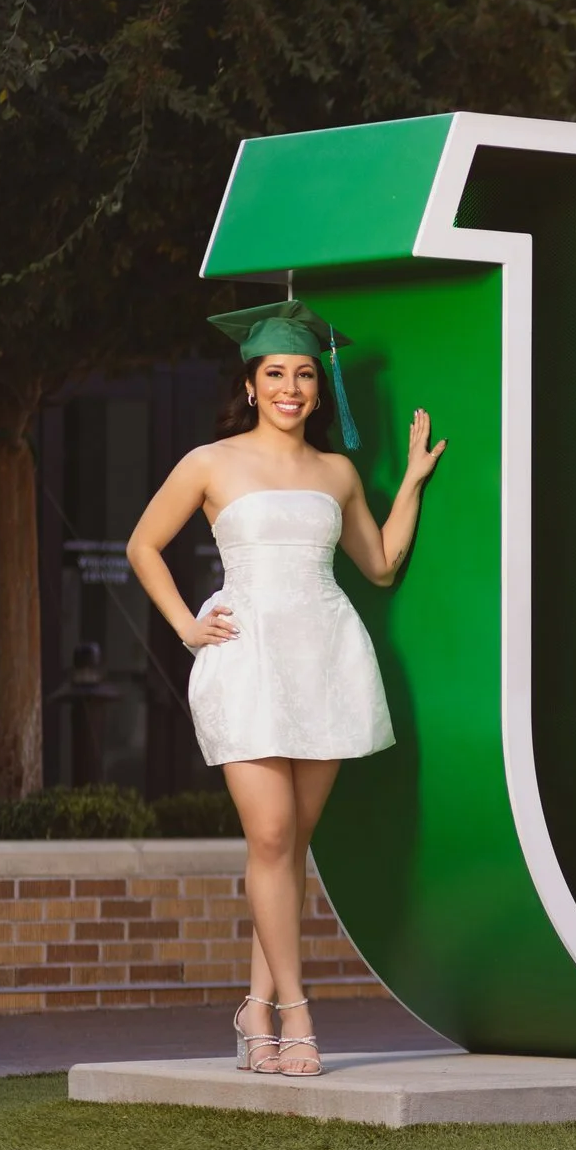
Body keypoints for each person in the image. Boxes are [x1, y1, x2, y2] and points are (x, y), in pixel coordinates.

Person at [127, 300, 444, 1077]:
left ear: (317, 387)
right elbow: (142, 543)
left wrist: (408, 482)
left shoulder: (336, 472)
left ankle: (253, 1009)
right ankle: (295, 1012)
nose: (292, 388)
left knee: (291, 844)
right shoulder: (210, 461)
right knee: (270, 837)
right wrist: (184, 626)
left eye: (305, 374)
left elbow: (378, 564)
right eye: (277, 374)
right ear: (252, 380)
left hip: (327, 658)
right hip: (249, 660)